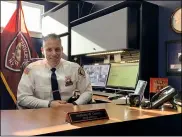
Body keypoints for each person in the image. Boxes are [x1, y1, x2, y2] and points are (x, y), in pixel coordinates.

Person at [17, 33, 93, 109]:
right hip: (41, 113)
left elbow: (87, 91)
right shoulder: (31, 69)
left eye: (57, 49)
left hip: (66, 111)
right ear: (42, 50)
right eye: (49, 50)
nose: (54, 53)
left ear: (62, 50)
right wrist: (49, 104)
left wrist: (75, 104)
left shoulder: (74, 68)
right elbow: (22, 98)